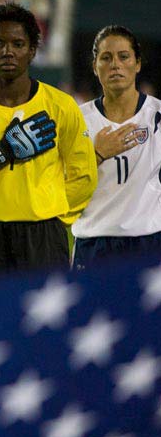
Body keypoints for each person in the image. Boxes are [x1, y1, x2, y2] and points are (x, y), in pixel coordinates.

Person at [0, 2, 97, 281]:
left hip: (42, 237)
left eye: (17, 43)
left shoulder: (61, 106)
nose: (7, 51)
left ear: (32, 50)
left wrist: (54, 218)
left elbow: (84, 176)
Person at [71, 25, 161, 268]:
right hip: (93, 243)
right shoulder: (76, 120)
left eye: (124, 57)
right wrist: (97, 154)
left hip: (148, 242)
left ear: (138, 63)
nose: (115, 65)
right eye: (106, 58)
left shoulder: (157, 115)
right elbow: (63, 190)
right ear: (94, 66)